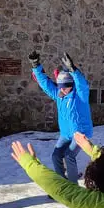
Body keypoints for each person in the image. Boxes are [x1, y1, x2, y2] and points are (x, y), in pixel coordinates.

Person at [29, 51, 93, 183]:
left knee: (69, 156)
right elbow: (45, 84)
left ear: (71, 85)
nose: (63, 90)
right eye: (61, 87)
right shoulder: (59, 95)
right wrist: (36, 66)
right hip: (65, 134)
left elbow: (82, 84)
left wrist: (73, 70)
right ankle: (62, 185)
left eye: (66, 87)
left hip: (80, 133)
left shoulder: (80, 96)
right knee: (56, 156)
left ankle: (73, 188)